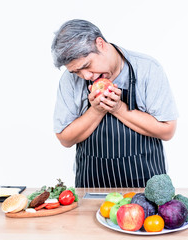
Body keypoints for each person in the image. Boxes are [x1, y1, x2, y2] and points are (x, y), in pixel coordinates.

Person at [51, 19, 178, 188]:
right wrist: (96, 111)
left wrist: (118, 109)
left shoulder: (148, 68)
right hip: (92, 186)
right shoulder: (70, 80)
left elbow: (167, 130)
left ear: (100, 43)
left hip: (147, 186)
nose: (87, 76)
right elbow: (65, 139)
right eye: (76, 72)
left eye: (87, 66)